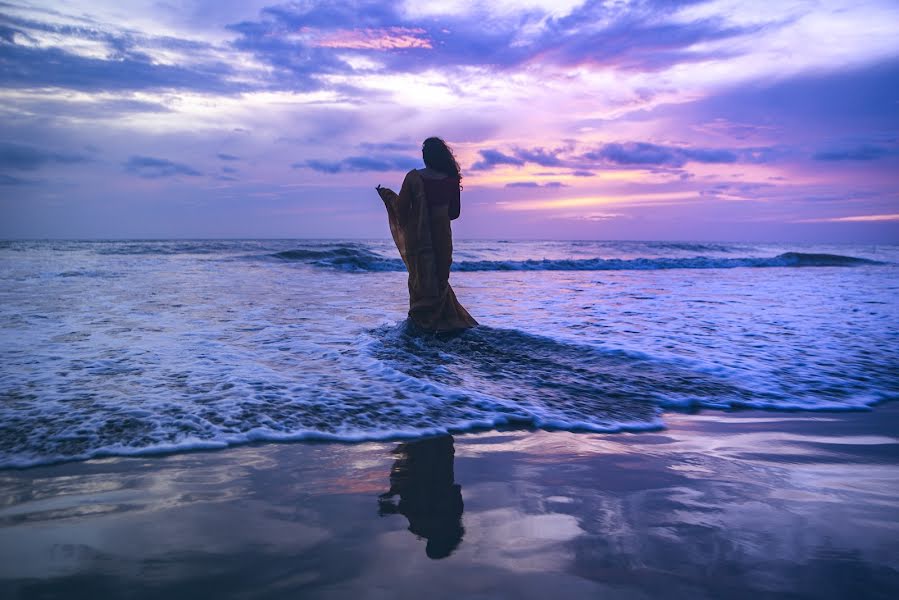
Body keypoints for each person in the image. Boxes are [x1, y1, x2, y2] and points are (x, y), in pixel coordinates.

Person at [376, 137, 478, 332]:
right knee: (439, 281)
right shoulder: (451, 179)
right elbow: (454, 213)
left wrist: (388, 196)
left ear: (425, 158)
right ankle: (441, 323)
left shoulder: (414, 178)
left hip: (419, 238)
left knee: (421, 279)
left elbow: (401, 211)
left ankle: (422, 326)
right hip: (443, 237)